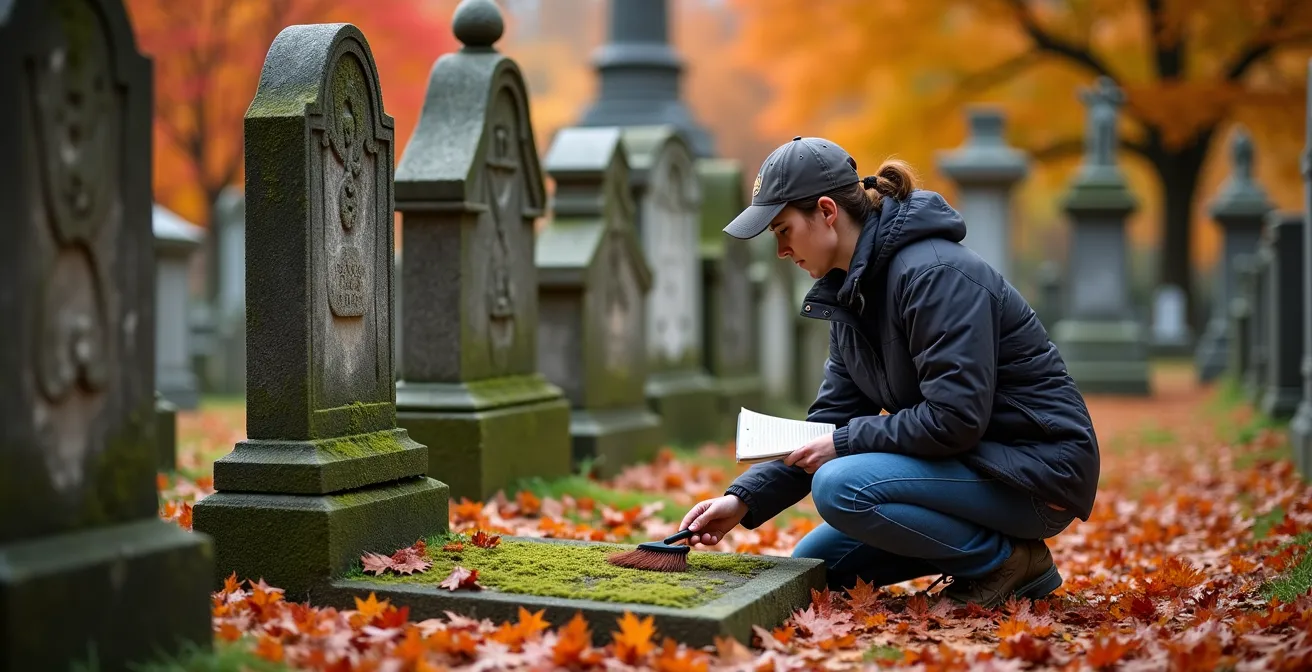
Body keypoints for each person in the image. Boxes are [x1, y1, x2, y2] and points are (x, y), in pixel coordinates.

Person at [679, 136, 1099, 608]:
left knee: (840, 487)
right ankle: (991, 552)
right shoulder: (849, 295)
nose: (780, 250)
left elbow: (955, 418)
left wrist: (843, 443)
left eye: (783, 230)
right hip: (973, 465)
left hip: (1035, 478)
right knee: (818, 565)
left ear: (827, 211)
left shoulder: (935, 274)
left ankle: (1005, 562)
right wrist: (742, 501)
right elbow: (830, 419)